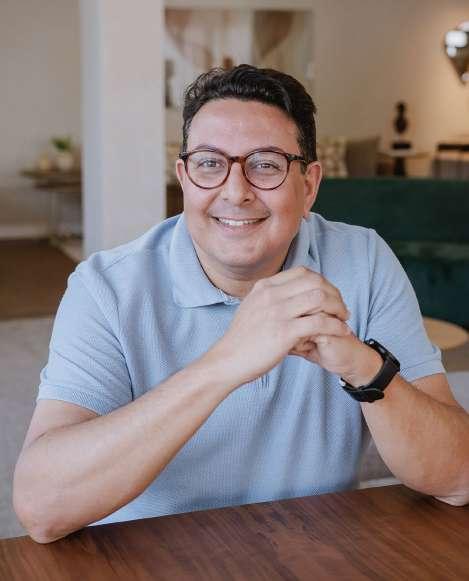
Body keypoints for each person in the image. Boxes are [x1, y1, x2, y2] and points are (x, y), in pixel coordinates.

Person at [13, 65, 469, 544]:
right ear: (185, 178)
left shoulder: (364, 260)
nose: (235, 191)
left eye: (266, 164)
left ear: (309, 185)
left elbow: (458, 477)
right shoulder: (106, 288)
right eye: (210, 163)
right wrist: (225, 363)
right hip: (147, 558)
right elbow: (42, 509)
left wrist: (365, 368)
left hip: (315, 551)